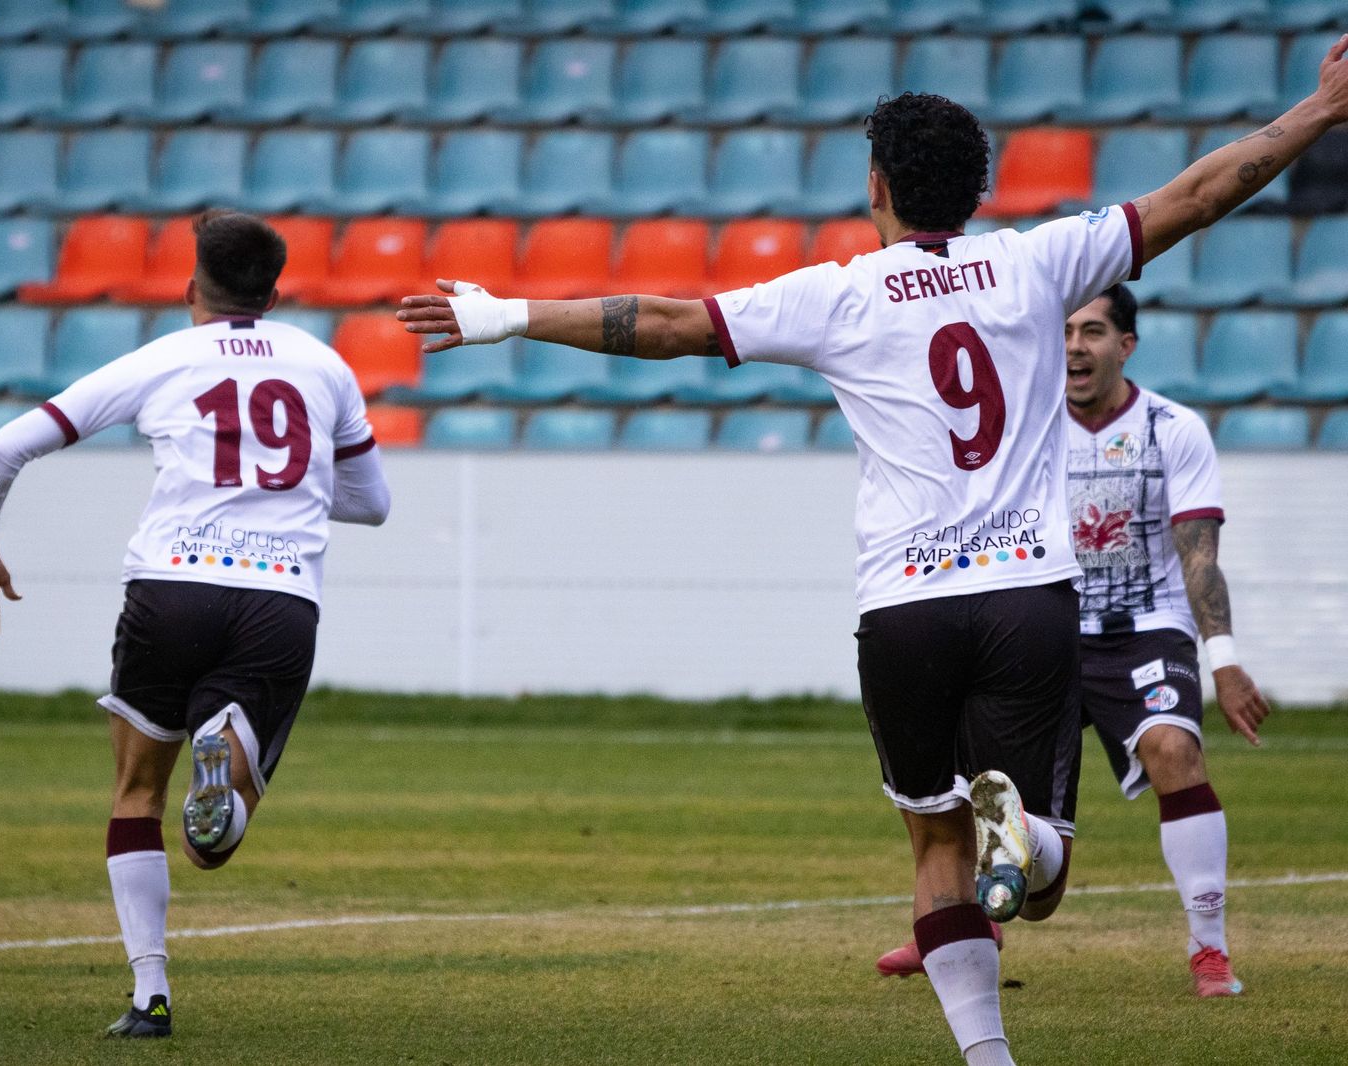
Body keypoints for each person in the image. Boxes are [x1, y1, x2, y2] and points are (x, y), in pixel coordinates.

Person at [398, 40, 1348, 1066]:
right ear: (979, 189)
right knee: (1042, 879)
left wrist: (499, 315)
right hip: (1029, 594)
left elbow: (667, 322)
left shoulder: (838, 293)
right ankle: (1022, 837)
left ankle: (988, 1055)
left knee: (933, 842)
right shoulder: (1043, 261)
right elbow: (1200, 193)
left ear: (875, 188)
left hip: (904, 607)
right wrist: (1319, 110)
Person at [0, 210, 391, 1038]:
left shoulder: (164, 359)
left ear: (192, 288)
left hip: (169, 586)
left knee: (135, 793)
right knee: (211, 849)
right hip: (278, 597)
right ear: (274, 291)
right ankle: (225, 742)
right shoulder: (324, 364)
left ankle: (150, 996)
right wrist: (288, 491)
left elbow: (8, 446)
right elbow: (372, 504)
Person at [875, 284, 1271, 997]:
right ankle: (967, 920)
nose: (1075, 348)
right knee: (998, 818)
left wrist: (1225, 661)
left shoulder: (1172, 429)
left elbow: (1198, 555)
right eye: (1063, 333)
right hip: (1040, 629)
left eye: (1093, 332)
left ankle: (1209, 950)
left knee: (1174, 749)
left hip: (1142, 630)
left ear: (1126, 345)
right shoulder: (1027, 430)